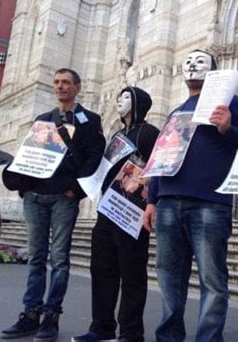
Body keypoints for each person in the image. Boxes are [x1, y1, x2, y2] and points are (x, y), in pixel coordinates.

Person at [143, 49, 238, 342]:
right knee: (168, 277)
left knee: (212, 279)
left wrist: (228, 127)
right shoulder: (176, 112)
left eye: (200, 61)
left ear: (214, 71)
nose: (192, 65)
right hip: (167, 203)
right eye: (188, 61)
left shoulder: (231, 103)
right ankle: (169, 337)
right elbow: (160, 156)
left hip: (209, 204)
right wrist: (152, 199)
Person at [1, 68, 106, 342]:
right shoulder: (43, 119)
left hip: (64, 198)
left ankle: (51, 317)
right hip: (35, 197)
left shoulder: (90, 120)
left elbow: (94, 158)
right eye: (57, 82)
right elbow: (28, 153)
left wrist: (76, 191)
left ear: (77, 87)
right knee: (36, 257)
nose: (60, 87)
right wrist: (24, 188)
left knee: (59, 260)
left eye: (66, 83)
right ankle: (30, 314)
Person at [73, 86, 159, 342]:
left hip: (131, 211)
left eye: (124, 98)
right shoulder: (117, 135)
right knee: (101, 269)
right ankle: (101, 327)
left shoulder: (151, 133)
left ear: (137, 102)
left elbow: (153, 170)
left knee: (132, 273)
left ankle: (132, 332)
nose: (118, 102)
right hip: (107, 210)